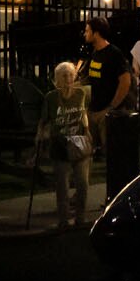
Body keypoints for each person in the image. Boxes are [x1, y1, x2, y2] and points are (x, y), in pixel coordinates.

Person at [38, 60, 93, 227]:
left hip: (79, 143)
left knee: (82, 184)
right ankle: (63, 219)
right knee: (62, 185)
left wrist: (87, 130)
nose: (68, 78)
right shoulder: (51, 98)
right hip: (60, 144)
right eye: (64, 76)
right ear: (57, 79)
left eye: (70, 75)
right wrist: (40, 134)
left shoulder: (80, 94)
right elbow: (44, 120)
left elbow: (82, 112)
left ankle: (80, 218)